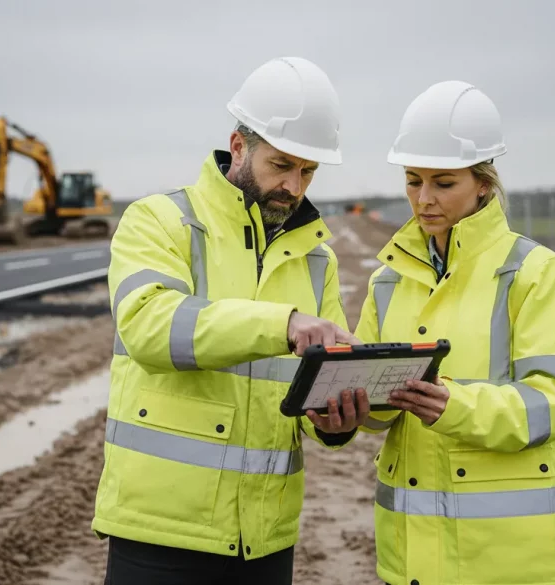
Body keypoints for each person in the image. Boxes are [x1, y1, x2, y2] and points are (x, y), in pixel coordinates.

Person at [92, 56, 372, 585]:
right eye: (281, 165)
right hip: (160, 531)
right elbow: (151, 326)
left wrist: (337, 423)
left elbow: (323, 379)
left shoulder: (318, 260)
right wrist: (282, 324)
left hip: (264, 537)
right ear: (238, 147)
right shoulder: (160, 221)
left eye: (308, 171)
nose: (294, 185)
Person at [355, 80, 555, 585]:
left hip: (513, 561)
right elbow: (377, 410)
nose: (423, 199)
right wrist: (351, 410)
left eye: (444, 183)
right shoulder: (387, 281)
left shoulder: (535, 274)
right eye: (413, 180)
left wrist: (453, 406)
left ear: (483, 182)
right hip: (412, 558)